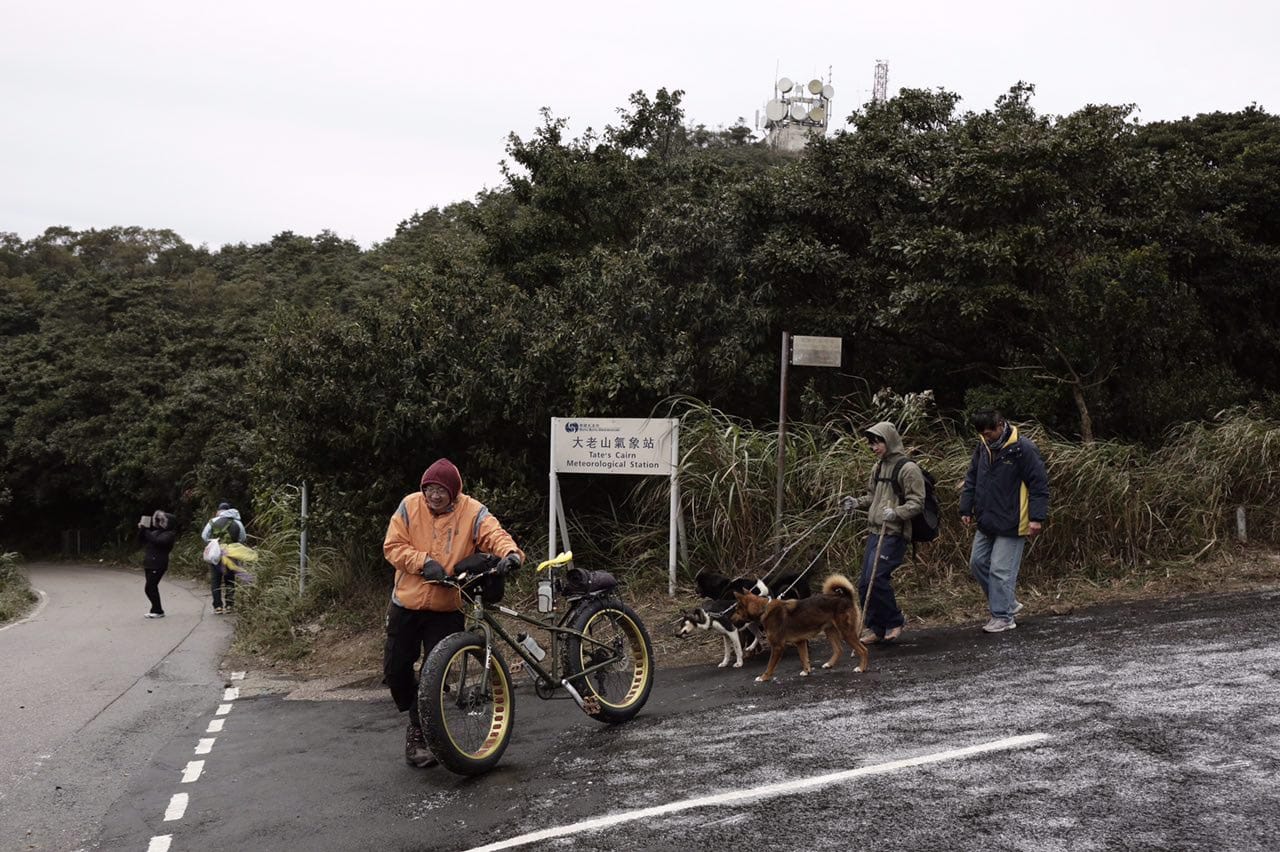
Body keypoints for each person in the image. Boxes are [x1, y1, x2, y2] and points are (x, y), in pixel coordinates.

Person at [382, 458, 524, 769]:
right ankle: (416, 714)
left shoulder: (472, 511)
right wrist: (423, 562)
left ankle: (419, 733)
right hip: (405, 604)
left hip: (446, 608)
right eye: (430, 489)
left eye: (441, 491)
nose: (434, 495)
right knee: (396, 670)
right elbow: (392, 546)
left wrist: (511, 554)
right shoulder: (409, 505)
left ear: (455, 493)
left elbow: (495, 535)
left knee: (435, 673)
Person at [959, 408, 1050, 633]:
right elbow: (972, 478)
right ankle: (1007, 602)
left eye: (989, 433)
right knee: (978, 563)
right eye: (982, 434)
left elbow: (1039, 484)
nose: (986, 437)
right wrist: (966, 508)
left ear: (1001, 425)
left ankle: (1003, 616)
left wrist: (1036, 518)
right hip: (986, 517)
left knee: (1000, 570)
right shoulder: (983, 447)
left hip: (1013, 519)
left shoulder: (1023, 449)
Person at [840, 421, 926, 644]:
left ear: (889, 440)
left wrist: (896, 513)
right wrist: (855, 502)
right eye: (871, 443)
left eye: (878, 442)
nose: (874, 447)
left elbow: (918, 502)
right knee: (864, 582)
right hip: (875, 530)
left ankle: (894, 621)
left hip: (895, 532)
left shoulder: (908, 468)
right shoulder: (877, 467)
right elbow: (872, 497)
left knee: (877, 578)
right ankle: (876, 628)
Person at [201, 501, 247, 614]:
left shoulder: (213, 521)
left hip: (216, 555)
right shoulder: (237, 522)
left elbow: (204, 536)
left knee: (215, 580)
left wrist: (213, 543)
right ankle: (229, 605)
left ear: (219, 511)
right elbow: (243, 538)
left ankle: (218, 606)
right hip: (231, 554)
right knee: (230, 579)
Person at [138, 510, 178, 618]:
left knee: (150, 587)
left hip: (159, 563)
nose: (159, 522)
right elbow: (142, 540)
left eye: (162, 520)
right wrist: (142, 529)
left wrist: (146, 531)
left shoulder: (169, 534)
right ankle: (156, 609)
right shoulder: (155, 532)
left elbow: (158, 542)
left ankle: (158, 610)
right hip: (149, 562)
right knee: (151, 587)